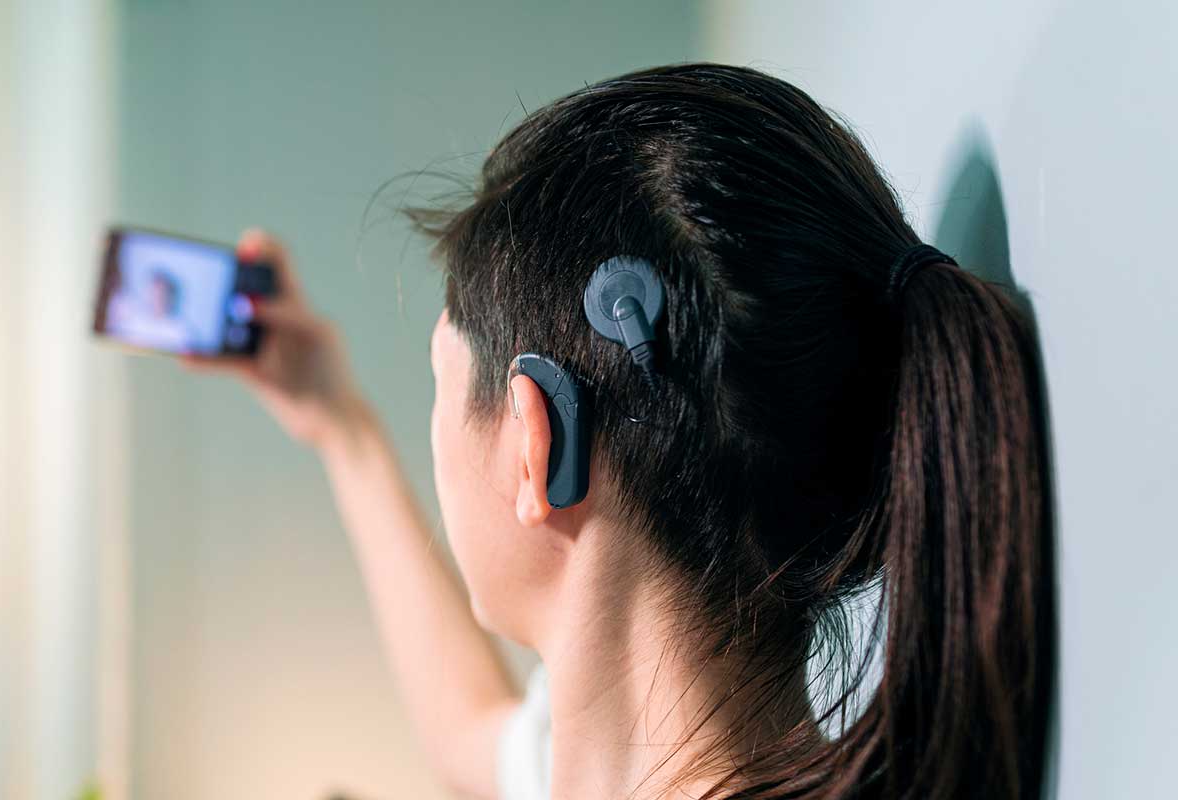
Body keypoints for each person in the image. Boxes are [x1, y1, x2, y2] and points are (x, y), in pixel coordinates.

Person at [192, 64, 1054, 800]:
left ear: (539, 444)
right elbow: (467, 736)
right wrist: (339, 424)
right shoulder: (601, 756)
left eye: (440, 380)